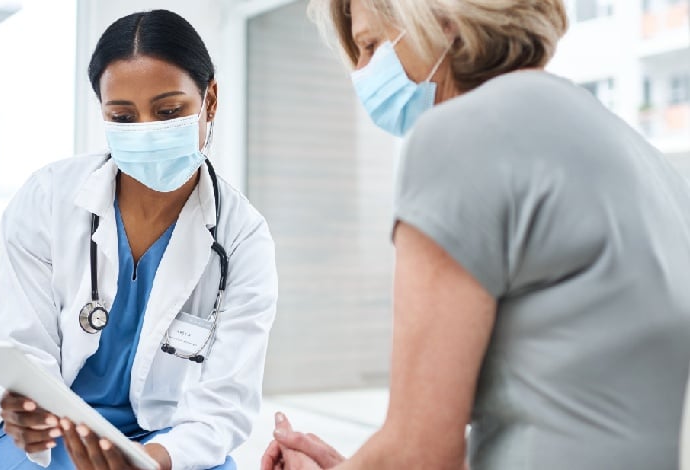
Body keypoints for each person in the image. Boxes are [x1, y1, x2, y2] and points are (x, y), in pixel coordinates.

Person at [262, 0, 690, 468]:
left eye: (369, 45)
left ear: (443, 21)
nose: (361, 72)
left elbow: (420, 453)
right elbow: (571, 414)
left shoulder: (459, 135)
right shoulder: (642, 159)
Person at [0, 9, 278, 470]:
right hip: (55, 434)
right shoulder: (47, 199)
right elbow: (25, 354)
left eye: (168, 112)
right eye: (123, 116)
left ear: (210, 100)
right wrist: (28, 411)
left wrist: (151, 460)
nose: (146, 131)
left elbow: (225, 403)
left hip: (171, 438)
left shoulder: (243, 239)